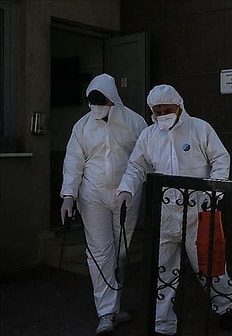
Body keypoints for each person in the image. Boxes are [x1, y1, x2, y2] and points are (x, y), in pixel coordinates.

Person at [116, 84, 232, 335]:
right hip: (165, 214)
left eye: (167, 109)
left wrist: (215, 191)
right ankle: (163, 324)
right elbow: (136, 166)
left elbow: (220, 159)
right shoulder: (149, 136)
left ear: (179, 106)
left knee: (209, 264)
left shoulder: (200, 129)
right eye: (157, 111)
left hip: (198, 212)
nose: (162, 115)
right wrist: (126, 188)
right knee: (163, 270)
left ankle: (225, 307)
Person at [60, 73, 148, 334]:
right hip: (92, 195)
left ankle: (115, 306)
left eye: (101, 101)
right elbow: (73, 162)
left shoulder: (135, 122)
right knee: (100, 253)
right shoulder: (83, 126)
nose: (96, 106)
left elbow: (145, 157)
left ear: (113, 99)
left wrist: (133, 186)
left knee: (120, 251)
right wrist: (68, 195)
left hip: (126, 195)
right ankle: (106, 313)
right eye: (92, 101)